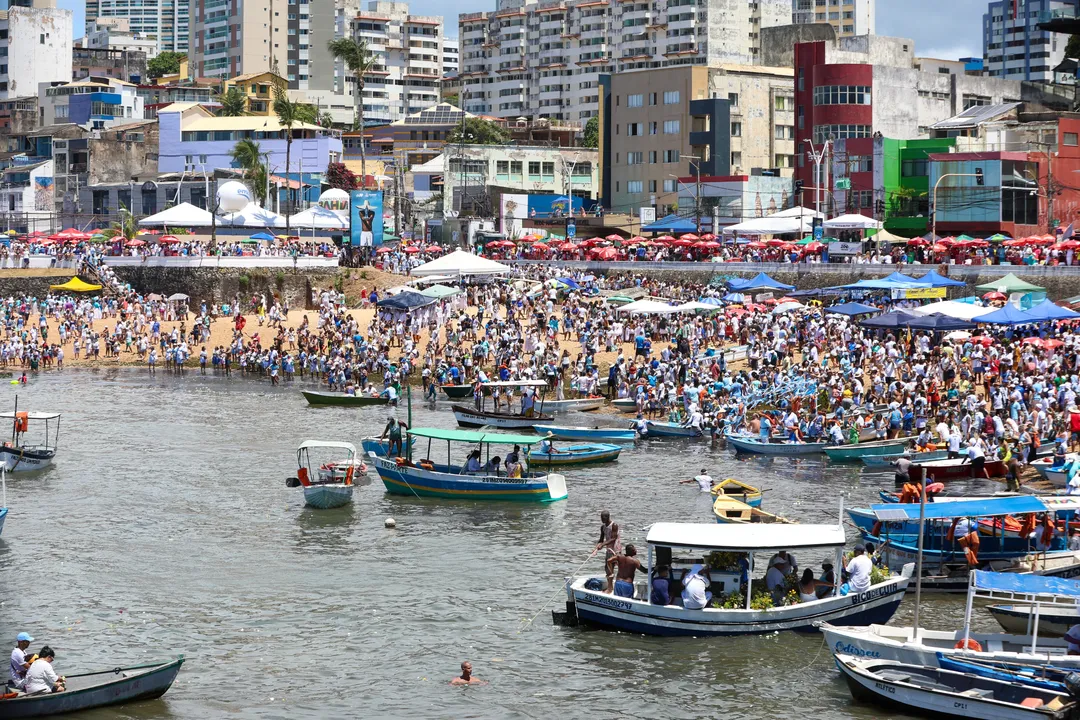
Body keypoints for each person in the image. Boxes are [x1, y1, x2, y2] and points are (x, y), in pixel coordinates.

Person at [596, 511, 621, 593]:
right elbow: (601, 539)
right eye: (601, 518)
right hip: (608, 550)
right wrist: (597, 547)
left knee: (613, 569)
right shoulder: (602, 527)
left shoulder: (614, 525)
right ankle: (610, 587)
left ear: (608, 517)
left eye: (604, 518)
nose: (602, 519)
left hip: (615, 550)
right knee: (608, 569)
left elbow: (613, 538)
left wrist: (602, 544)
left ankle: (611, 588)